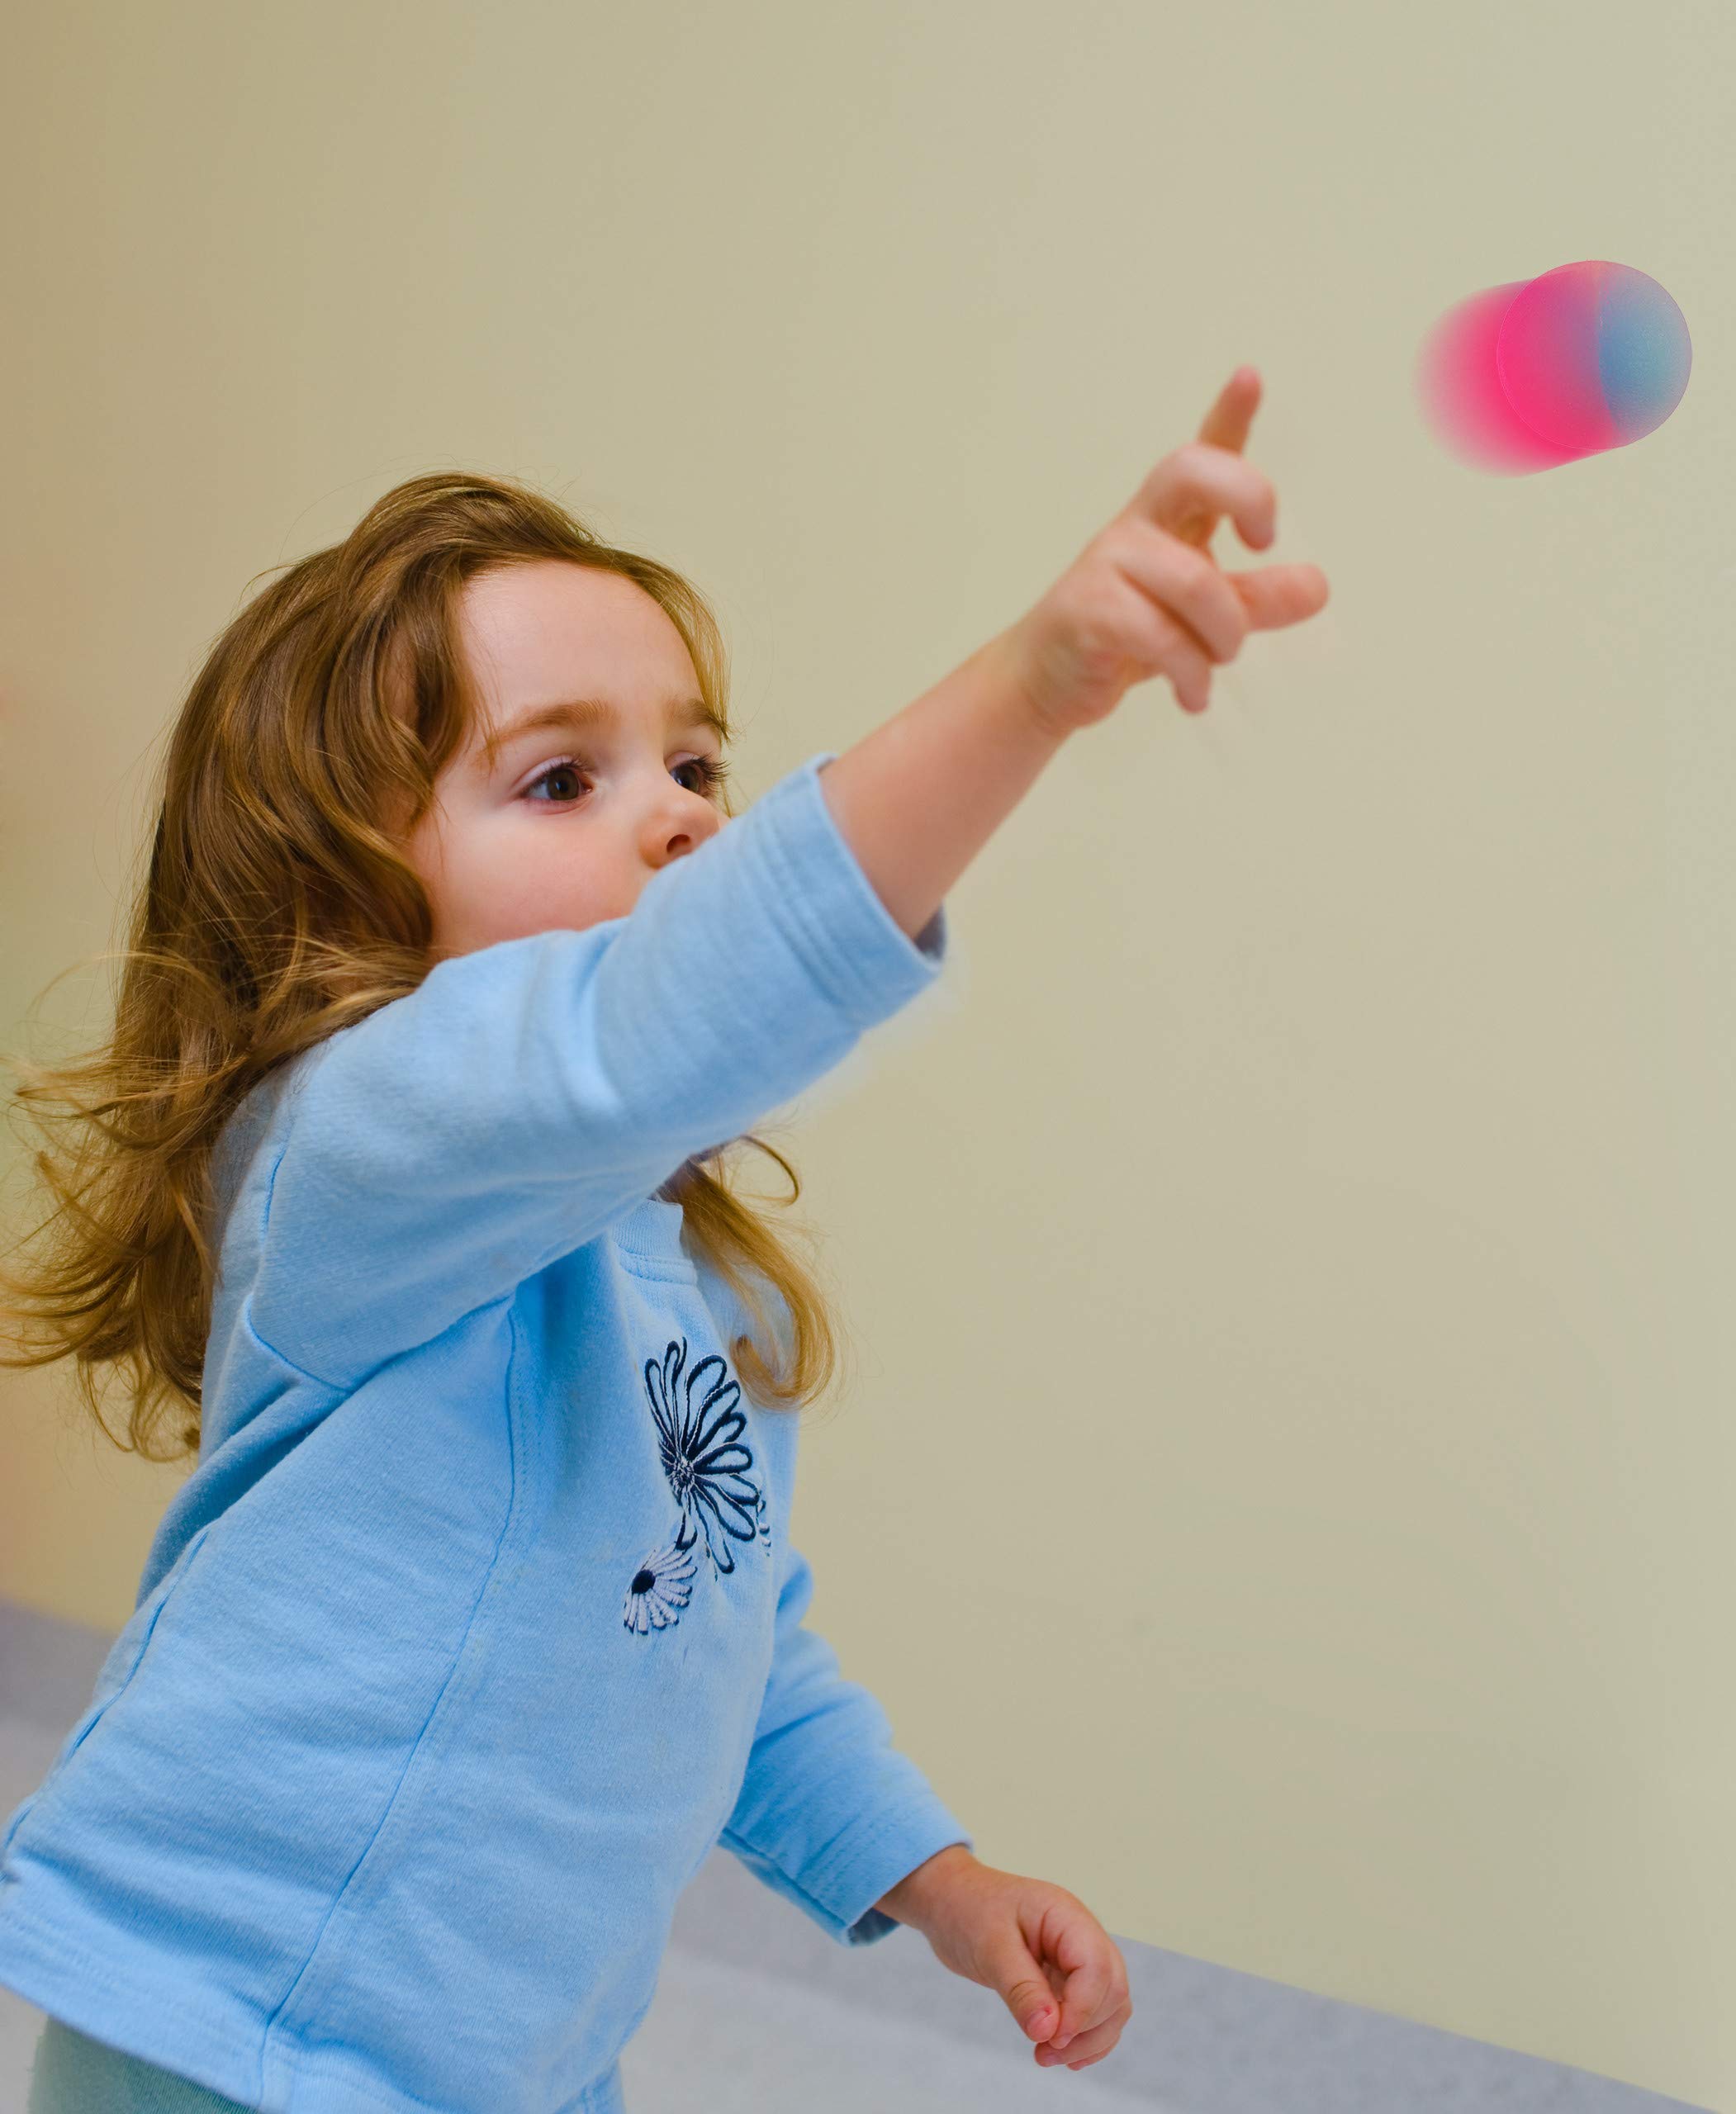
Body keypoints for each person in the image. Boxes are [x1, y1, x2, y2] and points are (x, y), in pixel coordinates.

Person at [0, 367, 1330, 2111]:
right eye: (561, 777)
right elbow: (654, 1020)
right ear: (341, 905)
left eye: (698, 761)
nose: (685, 810)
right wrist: (1031, 685)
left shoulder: (670, 1288)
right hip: (242, 2020)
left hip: (509, 2062)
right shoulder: (354, 1142)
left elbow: (720, 1636)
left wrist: (935, 1878)